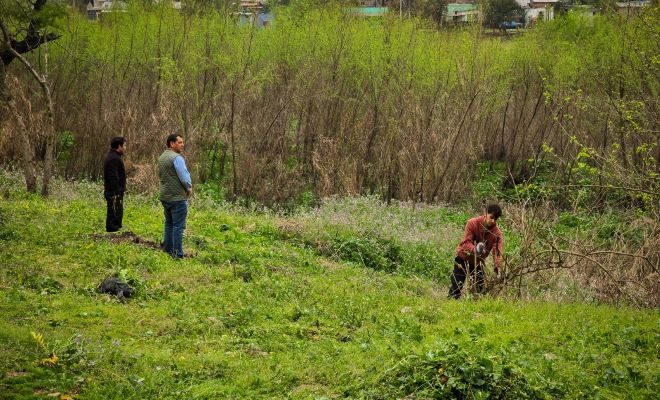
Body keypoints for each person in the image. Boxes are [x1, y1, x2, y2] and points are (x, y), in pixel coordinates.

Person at [448, 203, 503, 299]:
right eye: (492, 217)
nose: (493, 221)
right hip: (462, 258)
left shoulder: (497, 233)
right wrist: (475, 249)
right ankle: (449, 306)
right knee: (457, 287)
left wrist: (497, 267)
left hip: (478, 262)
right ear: (486, 213)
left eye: (496, 219)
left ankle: (475, 311)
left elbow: (497, 251)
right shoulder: (472, 223)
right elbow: (466, 242)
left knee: (478, 289)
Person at [158, 134, 192, 259]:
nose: (182, 145)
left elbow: (161, 175)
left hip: (165, 196)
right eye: (180, 142)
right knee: (178, 227)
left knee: (169, 224)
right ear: (172, 143)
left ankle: (168, 250)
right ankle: (178, 254)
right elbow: (184, 177)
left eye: (182, 142)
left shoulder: (161, 157)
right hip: (177, 197)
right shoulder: (177, 158)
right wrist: (189, 188)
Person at [103, 137, 127, 232]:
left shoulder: (113, 156)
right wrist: (117, 192)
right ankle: (113, 230)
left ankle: (116, 228)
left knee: (116, 211)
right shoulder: (114, 159)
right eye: (124, 145)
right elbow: (113, 177)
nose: (125, 148)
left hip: (113, 191)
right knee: (113, 211)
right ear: (119, 146)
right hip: (113, 192)